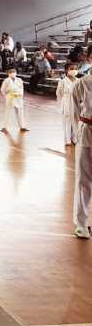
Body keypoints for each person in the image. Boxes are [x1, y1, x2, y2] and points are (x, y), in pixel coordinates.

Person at [72, 54, 92, 238]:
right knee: (84, 180)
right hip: (87, 130)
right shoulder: (82, 83)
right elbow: (74, 110)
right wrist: (78, 132)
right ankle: (81, 223)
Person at [0, 67, 28, 134]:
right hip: (10, 97)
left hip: (18, 97)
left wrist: (21, 95)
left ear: (16, 73)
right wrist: (6, 96)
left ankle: (22, 126)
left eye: (14, 72)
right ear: (8, 74)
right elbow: (2, 89)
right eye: (11, 72)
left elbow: (22, 88)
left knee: (20, 112)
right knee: (8, 112)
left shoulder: (19, 80)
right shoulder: (6, 80)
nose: (13, 73)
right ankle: (4, 127)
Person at [57, 63, 79, 146]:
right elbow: (59, 93)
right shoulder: (62, 81)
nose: (74, 70)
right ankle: (67, 140)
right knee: (67, 121)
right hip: (66, 102)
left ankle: (74, 138)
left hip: (76, 102)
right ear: (67, 70)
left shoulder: (78, 81)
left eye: (75, 68)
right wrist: (62, 103)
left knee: (76, 121)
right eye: (72, 68)